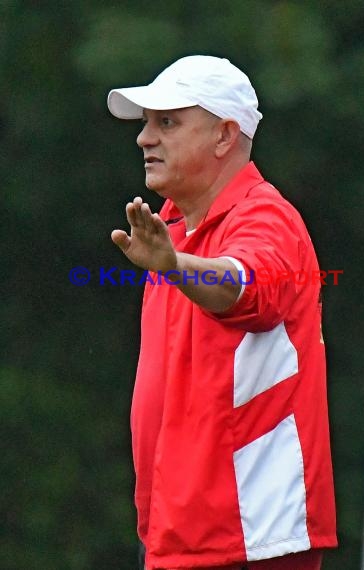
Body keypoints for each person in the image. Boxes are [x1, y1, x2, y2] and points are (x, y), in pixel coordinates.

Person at [107, 55, 337, 570]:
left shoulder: (265, 215)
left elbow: (244, 285)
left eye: (166, 122)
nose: (145, 138)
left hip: (249, 536)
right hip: (186, 531)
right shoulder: (172, 228)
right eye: (146, 123)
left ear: (224, 136)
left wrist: (177, 266)